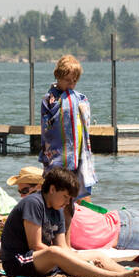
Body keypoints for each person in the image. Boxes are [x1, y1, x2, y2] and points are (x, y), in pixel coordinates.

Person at [0, 168, 139, 277]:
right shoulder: (33, 203)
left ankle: (137, 274)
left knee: (97, 254)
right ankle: (114, 276)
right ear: (53, 189)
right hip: (18, 260)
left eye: (70, 199)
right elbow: (36, 245)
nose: (67, 202)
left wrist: (76, 257)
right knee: (56, 253)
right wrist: (70, 258)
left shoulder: (57, 209)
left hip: (44, 259)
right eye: (65, 196)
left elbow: (63, 246)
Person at [39, 55, 97, 203]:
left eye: (74, 81)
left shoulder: (80, 98)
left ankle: (83, 217)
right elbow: (47, 127)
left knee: (80, 188)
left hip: (78, 152)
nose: (71, 84)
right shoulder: (50, 100)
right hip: (59, 155)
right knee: (61, 191)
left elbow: (85, 119)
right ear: (58, 76)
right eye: (67, 80)